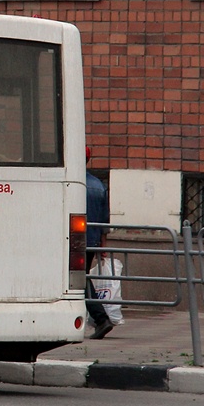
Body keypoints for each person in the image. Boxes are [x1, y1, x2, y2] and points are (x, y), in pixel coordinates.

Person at [86, 146, 114, 340]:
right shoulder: (98, 185)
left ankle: (101, 318)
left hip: (71, 240)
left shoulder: (72, 183)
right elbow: (104, 221)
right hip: (91, 241)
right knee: (80, 278)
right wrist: (102, 245)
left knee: (77, 282)